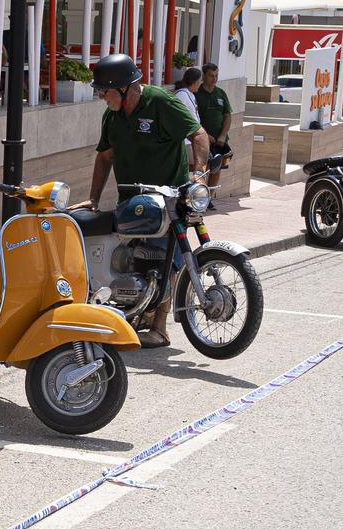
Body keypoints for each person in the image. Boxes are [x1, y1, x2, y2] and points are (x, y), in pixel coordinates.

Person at [86, 53, 209, 347]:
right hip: (132, 202)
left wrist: (200, 173)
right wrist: (92, 199)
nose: (102, 97)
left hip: (169, 200)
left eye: (105, 91)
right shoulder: (112, 116)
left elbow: (199, 134)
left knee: (168, 260)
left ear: (125, 88)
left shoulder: (160, 103)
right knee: (135, 260)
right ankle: (137, 312)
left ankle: (160, 325)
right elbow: (104, 158)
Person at [195, 61, 235, 208]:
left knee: (217, 169)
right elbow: (193, 118)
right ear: (204, 77)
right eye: (211, 75)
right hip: (202, 140)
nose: (214, 78)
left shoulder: (220, 93)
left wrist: (223, 136)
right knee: (203, 170)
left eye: (216, 75)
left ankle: (208, 200)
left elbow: (227, 116)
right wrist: (205, 135)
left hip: (220, 141)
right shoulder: (196, 93)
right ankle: (199, 198)